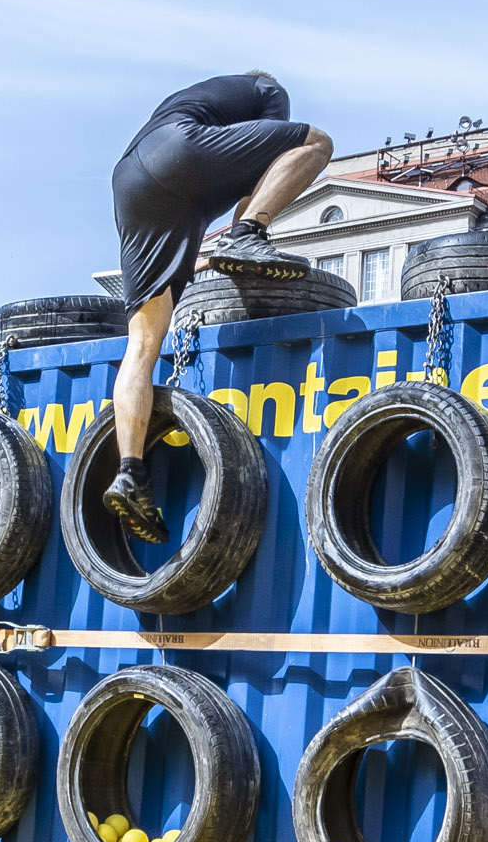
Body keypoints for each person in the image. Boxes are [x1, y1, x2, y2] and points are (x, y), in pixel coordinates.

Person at [104, 72, 334, 542]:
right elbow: (271, 163)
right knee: (316, 143)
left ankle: (131, 471)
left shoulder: (195, 97)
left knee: (143, 345)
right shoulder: (266, 90)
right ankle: (250, 237)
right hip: (179, 154)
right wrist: (247, 231)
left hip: (133, 185)